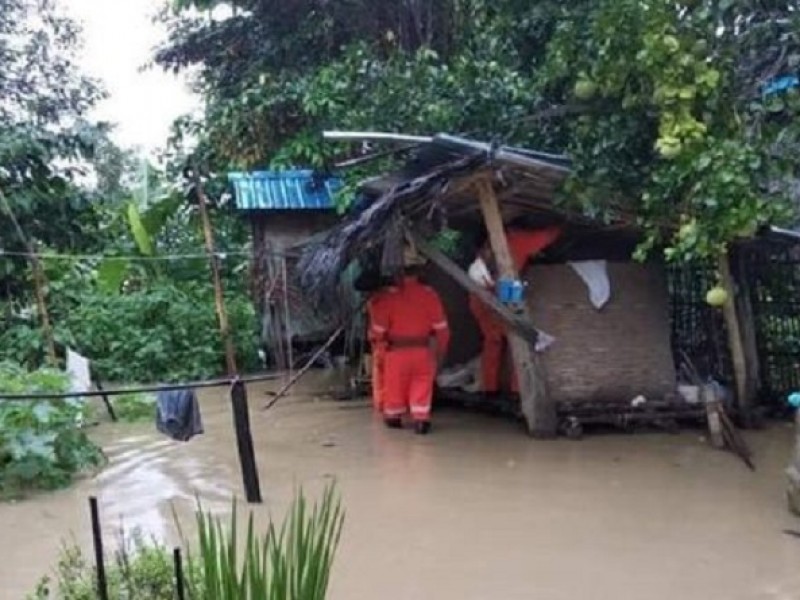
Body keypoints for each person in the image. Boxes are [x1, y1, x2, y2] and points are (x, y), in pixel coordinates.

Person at [468, 225, 562, 394]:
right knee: (518, 341)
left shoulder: (489, 243)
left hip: (478, 295)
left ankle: (489, 388)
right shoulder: (518, 239)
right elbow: (547, 235)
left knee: (492, 340)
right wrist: (561, 226)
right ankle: (516, 390)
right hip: (507, 288)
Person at [369, 262, 450, 434]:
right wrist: (440, 352)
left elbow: (378, 331)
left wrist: (379, 347)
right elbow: (442, 330)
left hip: (396, 353)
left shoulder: (388, 297)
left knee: (394, 389)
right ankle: (421, 419)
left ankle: (394, 417)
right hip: (423, 351)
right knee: (422, 384)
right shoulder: (430, 295)